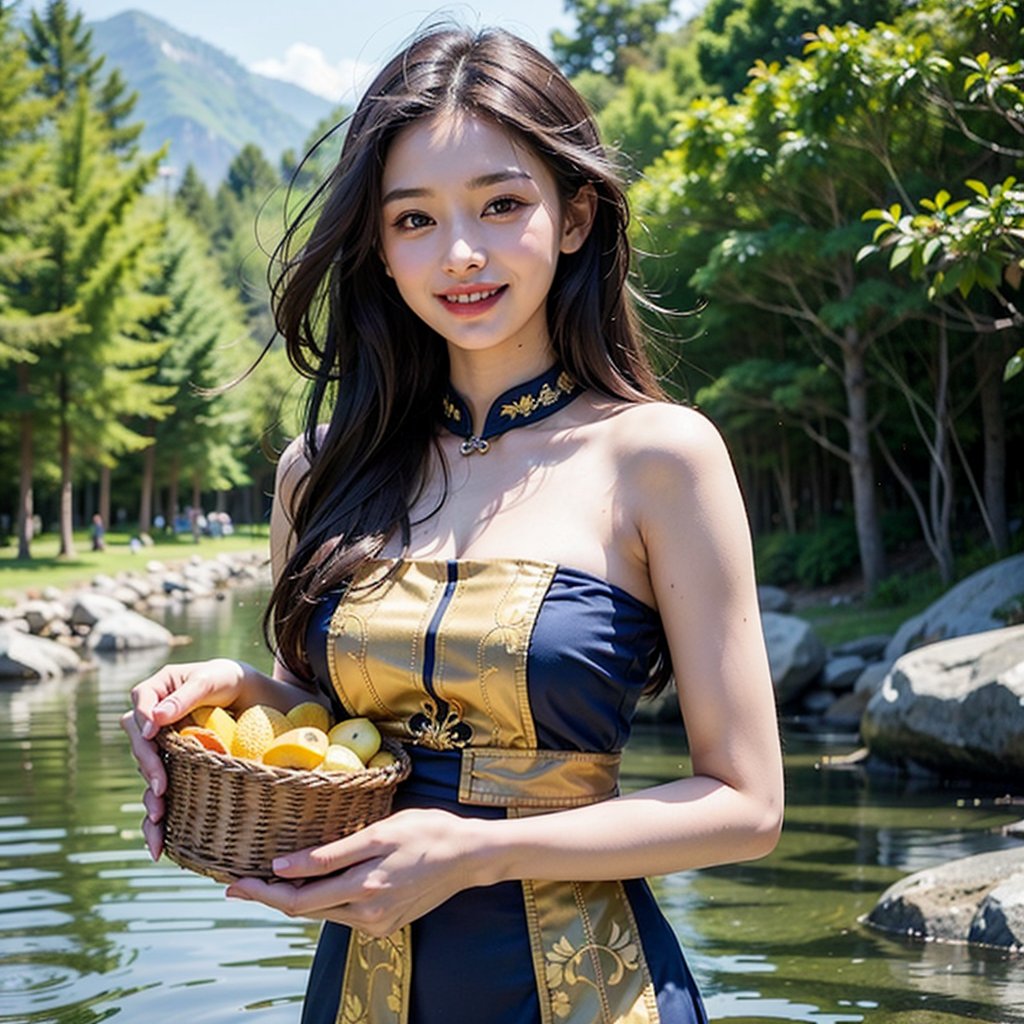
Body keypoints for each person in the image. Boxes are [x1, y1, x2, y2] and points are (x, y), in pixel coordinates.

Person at [121, 25, 783, 1024]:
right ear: (380, 249)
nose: (460, 253)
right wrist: (236, 692)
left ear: (574, 216)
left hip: (595, 993)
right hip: (357, 994)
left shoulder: (659, 457)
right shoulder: (319, 473)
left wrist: (480, 849)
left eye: (502, 203)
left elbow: (746, 806)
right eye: (414, 219)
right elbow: (342, 726)